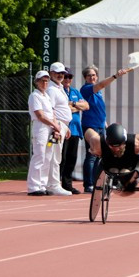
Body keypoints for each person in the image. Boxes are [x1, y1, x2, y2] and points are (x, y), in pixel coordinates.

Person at [79, 63, 130, 192]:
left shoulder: (98, 92)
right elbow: (100, 85)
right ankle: (88, 184)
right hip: (90, 126)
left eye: (94, 75)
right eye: (89, 75)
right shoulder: (86, 89)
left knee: (101, 156)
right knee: (91, 155)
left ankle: (98, 182)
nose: (92, 77)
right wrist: (115, 76)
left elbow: (99, 111)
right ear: (85, 78)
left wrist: (106, 125)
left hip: (101, 126)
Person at [84, 123, 139, 193]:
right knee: (113, 169)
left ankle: (128, 179)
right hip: (109, 164)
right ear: (107, 142)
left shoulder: (138, 143)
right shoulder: (98, 143)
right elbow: (88, 131)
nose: (116, 149)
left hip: (128, 164)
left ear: (125, 142)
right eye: (112, 146)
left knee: (125, 172)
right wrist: (92, 146)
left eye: (119, 146)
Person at [27, 70, 63, 196]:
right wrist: (54, 125)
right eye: (42, 80)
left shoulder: (46, 96)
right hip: (40, 128)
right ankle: (33, 186)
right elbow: (40, 115)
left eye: (47, 80)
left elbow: (51, 113)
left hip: (49, 128)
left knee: (47, 156)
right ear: (37, 82)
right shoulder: (34, 96)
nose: (45, 83)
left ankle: (42, 184)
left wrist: (55, 128)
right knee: (39, 155)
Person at [57, 63, 88, 194]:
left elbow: (86, 106)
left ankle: (67, 184)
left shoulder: (75, 91)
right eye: (65, 76)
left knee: (71, 157)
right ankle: (56, 183)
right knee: (61, 158)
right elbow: (63, 108)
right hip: (63, 128)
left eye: (70, 77)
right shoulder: (58, 91)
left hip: (75, 129)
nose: (67, 79)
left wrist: (73, 104)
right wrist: (74, 107)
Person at [45, 62, 74, 196]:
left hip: (62, 125)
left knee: (56, 155)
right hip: (57, 125)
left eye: (62, 73)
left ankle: (51, 183)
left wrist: (65, 127)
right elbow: (51, 109)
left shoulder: (59, 88)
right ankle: (53, 184)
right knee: (55, 156)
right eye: (57, 73)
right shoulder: (51, 89)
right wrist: (56, 127)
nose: (60, 75)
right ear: (51, 73)